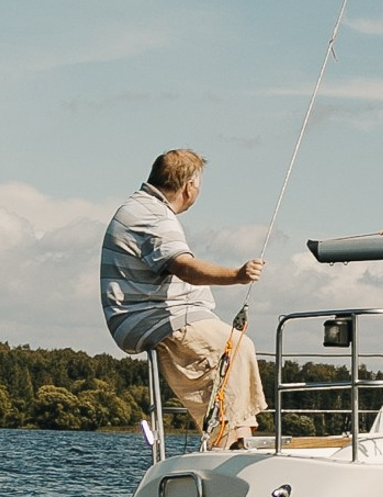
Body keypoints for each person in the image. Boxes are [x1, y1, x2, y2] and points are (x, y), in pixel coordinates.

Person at [99, 149, 266, 442]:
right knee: (237, 347)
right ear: (189, 187)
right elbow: (183, 267)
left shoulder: (143, 208)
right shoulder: (154, 216)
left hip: (158, 316)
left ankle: (238, 438)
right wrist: (237, 276)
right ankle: (231, 442)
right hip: (159, 318)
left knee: (234, 353)